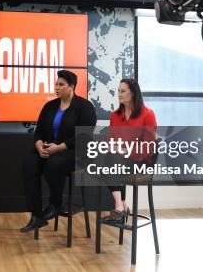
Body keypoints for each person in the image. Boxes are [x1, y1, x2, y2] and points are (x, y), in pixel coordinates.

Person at [21, 69, 97, 233]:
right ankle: (37, 215)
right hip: (50, 148)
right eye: (56, 84)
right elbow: (39, 131)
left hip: (75, 151)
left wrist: (59, 148)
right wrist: (39, 145)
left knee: (53, 165)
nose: (56, 87)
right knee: (29, 164)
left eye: (61, 85)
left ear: (72, 87)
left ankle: (56, 203)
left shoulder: (85, 107)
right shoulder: (49, 106)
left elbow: (83, 135)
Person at [102, 78, 157, 225]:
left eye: (123, 91)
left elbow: (148, 148)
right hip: (119, 161)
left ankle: (121, 205)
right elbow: (110, 141)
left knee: (111, 161)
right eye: (118, 91)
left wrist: (124, 150)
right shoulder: (114, 115)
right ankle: (121, 205)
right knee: (106, 159)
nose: (119, 94)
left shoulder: (148, 114)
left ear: (133, 93)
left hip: (141, 163)